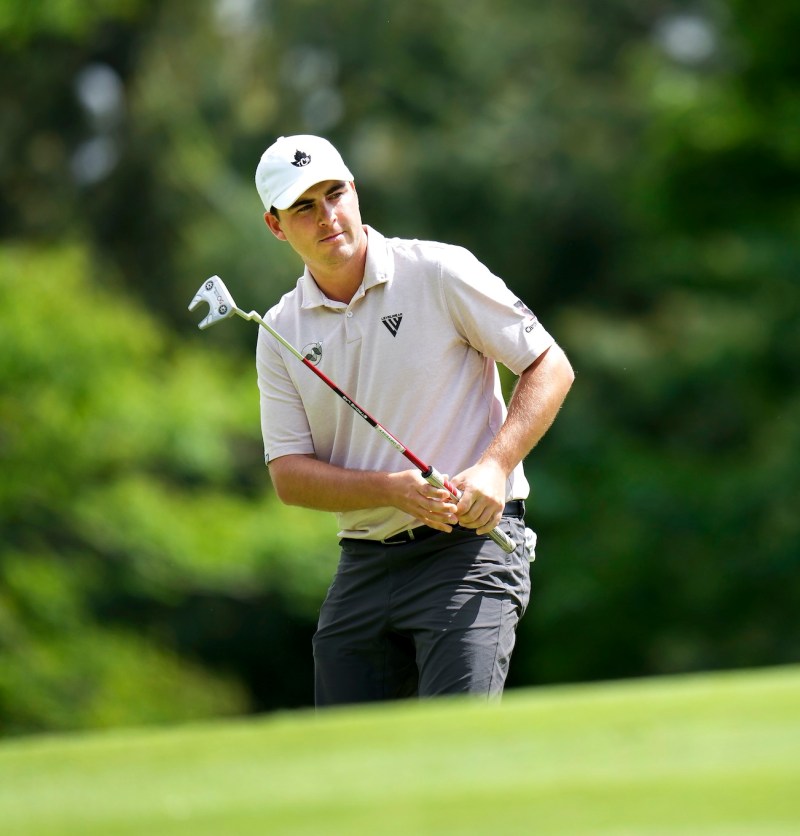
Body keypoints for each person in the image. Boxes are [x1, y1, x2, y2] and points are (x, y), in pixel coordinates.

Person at [254, 134, 574, 706]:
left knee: (459, 747)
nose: (328, 216)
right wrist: (389, 491)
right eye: (304, 206)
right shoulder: (280, 330)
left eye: (335, 193)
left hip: (469, 548)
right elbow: (289, 475)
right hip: (364, 564)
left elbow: (550, 364)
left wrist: (495, 468)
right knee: (345, 766)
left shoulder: (437, 271)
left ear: (354, 189)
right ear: (276, 225)